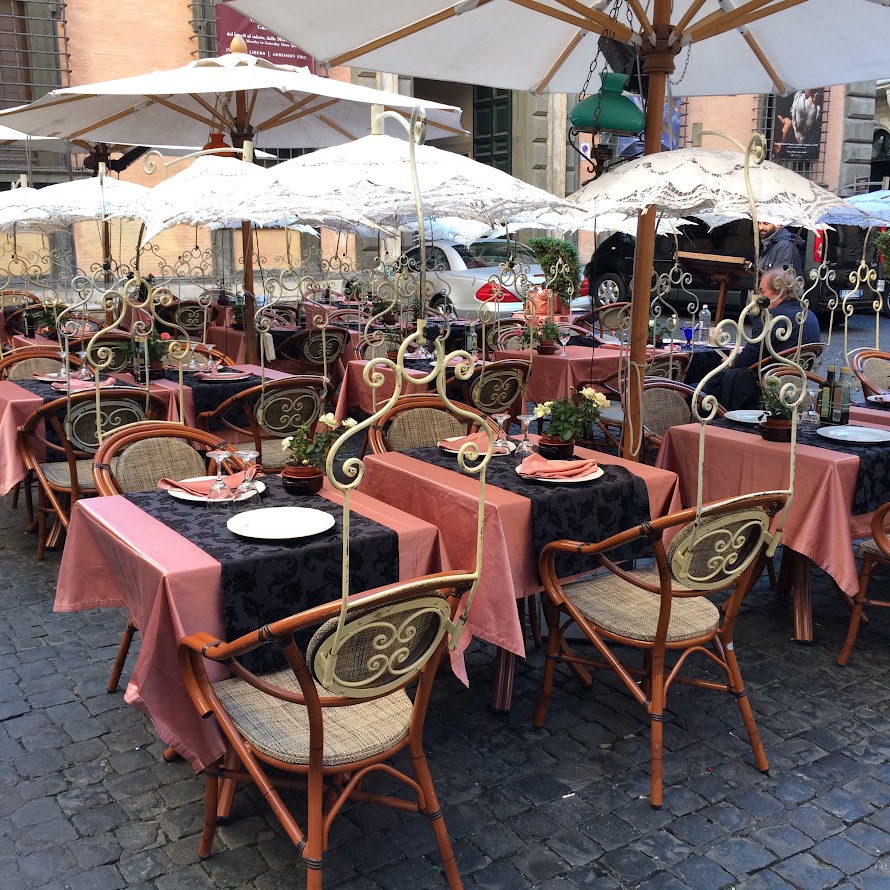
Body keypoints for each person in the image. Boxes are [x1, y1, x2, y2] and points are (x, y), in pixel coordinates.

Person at [732, 268, 821, 370]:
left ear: (778, 291)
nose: (759, 297)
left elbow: (747, 359)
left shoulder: (770, 317)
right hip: (800, 375)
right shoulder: (810, 315)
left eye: (762, 292)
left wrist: (730, 362)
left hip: (770, 378)